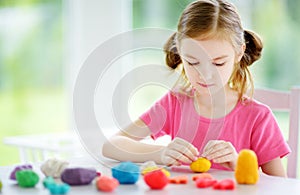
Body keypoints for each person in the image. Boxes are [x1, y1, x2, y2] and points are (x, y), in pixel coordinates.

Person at [102, 0, 291, 177]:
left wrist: (239, 166)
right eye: (192, 62)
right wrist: (161, 153)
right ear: (180, 53)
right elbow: (112, 145)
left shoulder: (258, 117)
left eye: (218, 64)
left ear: (239, 53)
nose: (205, 75)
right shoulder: (175, 103)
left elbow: (280, 186)